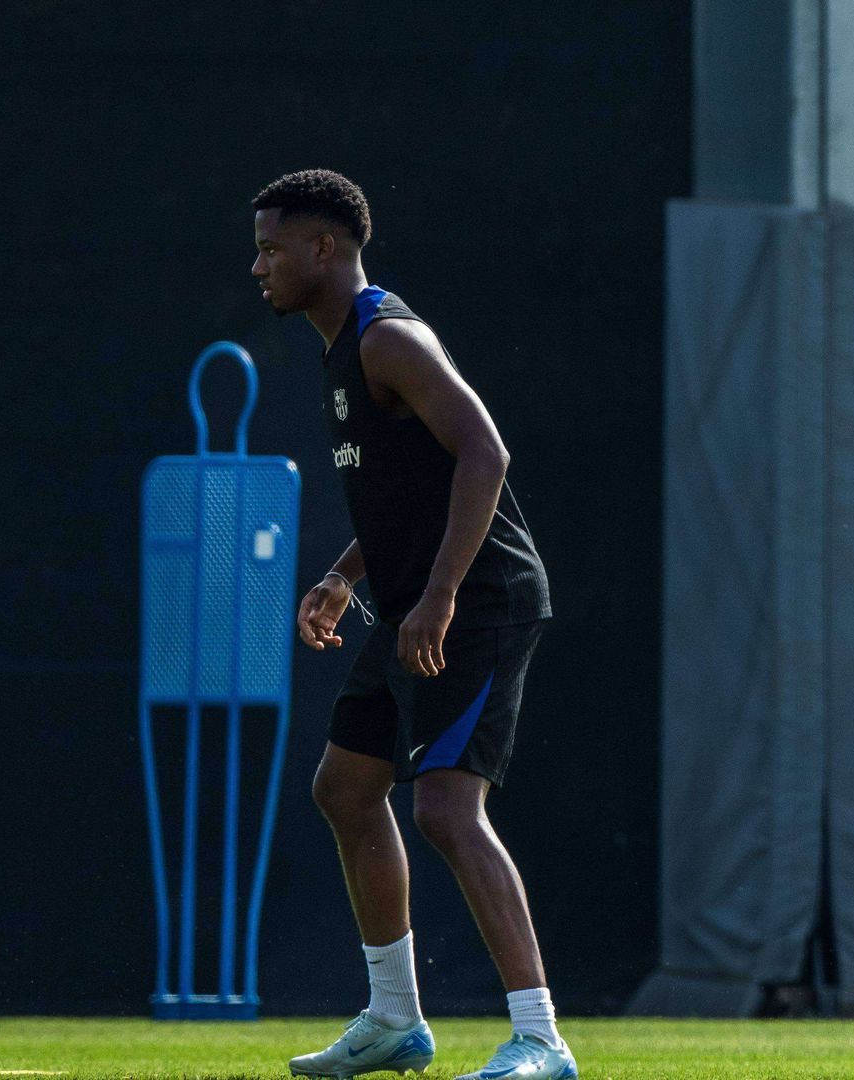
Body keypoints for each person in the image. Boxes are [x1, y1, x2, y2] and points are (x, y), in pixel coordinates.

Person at [250, 169, 574, 1080]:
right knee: (345, 791)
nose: (258, 265)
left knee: (444, 808)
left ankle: (542, 1039)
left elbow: (484, 451)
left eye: (274, 248)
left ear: (325, 249)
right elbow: (410, 489)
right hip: (410, 604)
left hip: (478, 603)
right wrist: (342, 575)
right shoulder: (336, 349)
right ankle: (395, 1020)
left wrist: (435, 599)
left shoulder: (387, 336)